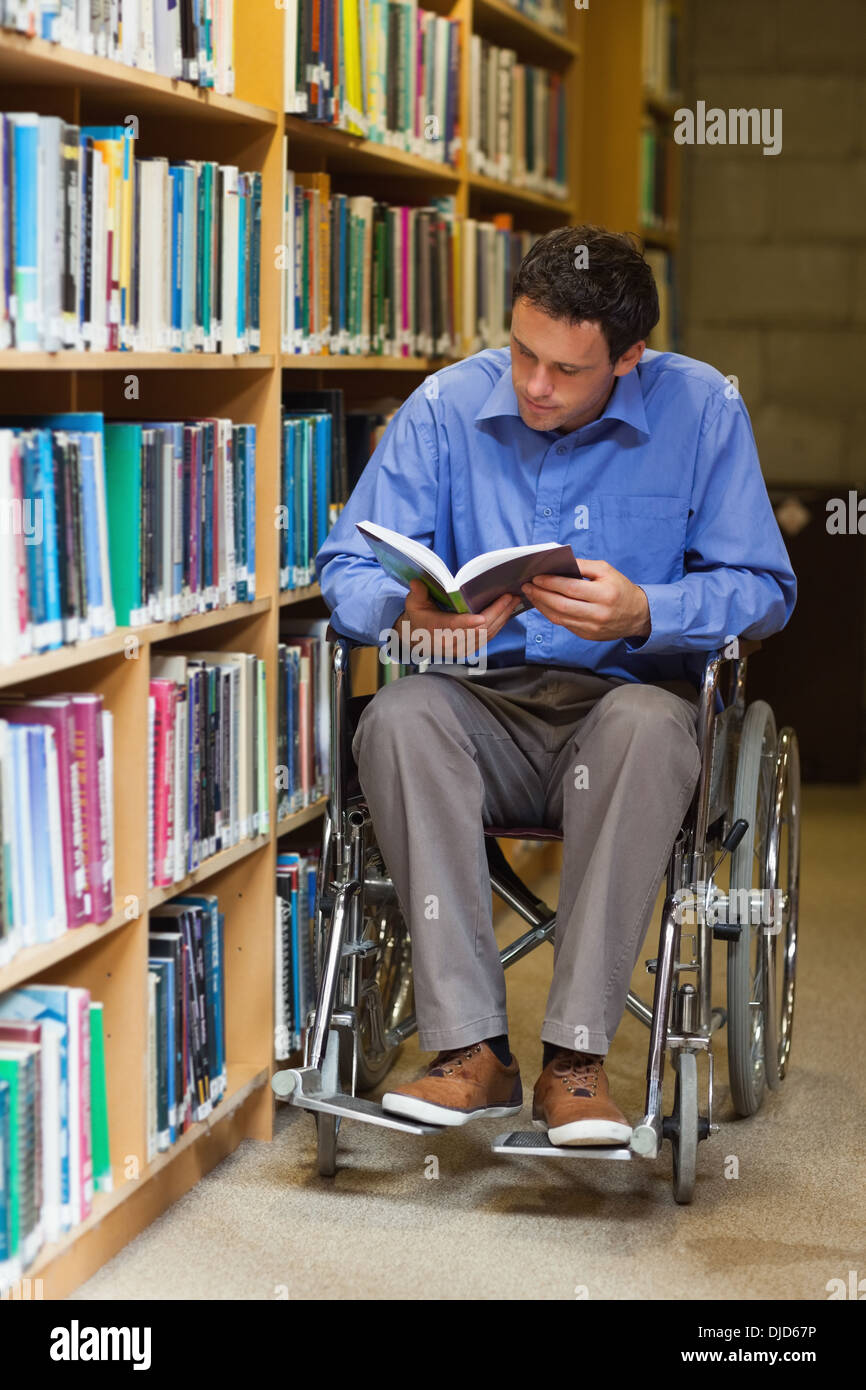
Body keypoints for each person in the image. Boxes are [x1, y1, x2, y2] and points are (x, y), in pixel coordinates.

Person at [314, 225, 796, 1146]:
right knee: (398, 717)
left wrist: (647, 610)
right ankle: (472, 1052)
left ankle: (577, 1062)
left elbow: (766, 592)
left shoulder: (702, 411)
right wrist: (401, 611)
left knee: (649, 731)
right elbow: (345, 564)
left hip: (625, 714)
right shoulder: (445, 405)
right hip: (477, 704)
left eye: (566, 371)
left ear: (629, 359)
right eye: (522, 352)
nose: (534, 386)